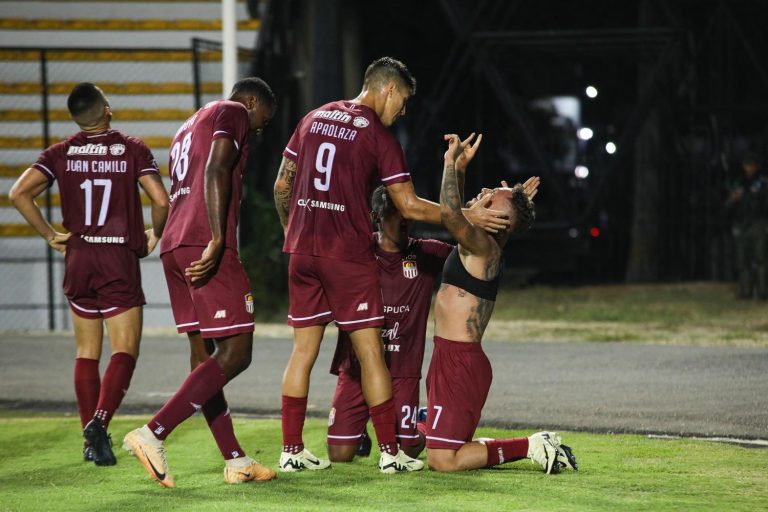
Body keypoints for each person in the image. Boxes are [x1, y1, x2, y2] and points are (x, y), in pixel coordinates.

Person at [273, 57, 508, 473]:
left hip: (301, 251)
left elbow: (282, 184)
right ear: (388, 89)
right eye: (404, 102)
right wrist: (465, 216)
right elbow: (410, 206)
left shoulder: (312, 118)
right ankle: (390, 454)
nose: (403, 111)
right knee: (371, 352)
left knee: (302, 353)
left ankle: (290, 452)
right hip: (346, 254)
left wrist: (292, 233)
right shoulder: (379, 137)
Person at [122, 78, 276, 488]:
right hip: (203, 241)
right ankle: (152, 433)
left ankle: (235, 460)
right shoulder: (235, 112)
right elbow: (216, 166)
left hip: (175, 242)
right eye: (264, 119)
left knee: (202, 359)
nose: (259, 129)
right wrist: (219, 238)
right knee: (237, 351)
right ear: (254, 101)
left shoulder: (189, 123)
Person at [9, 82, 169, 466]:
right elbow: (161, 200)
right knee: (124, 351)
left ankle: (89, 442)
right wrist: (155, 234)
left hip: (79, 256)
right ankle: (99, 422)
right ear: (107, 109)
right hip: (117, 257)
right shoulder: (131, 148)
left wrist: (50, 235)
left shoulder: (61, 152)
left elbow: (18, 193)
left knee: (86, 352)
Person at [424, 133, 578, 474]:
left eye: (493, 197)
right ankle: (423, 428)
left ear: (499, 222)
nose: (487, 193)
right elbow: (462, 213)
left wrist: (449, 163)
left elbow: (452, 216)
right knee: (431, 443)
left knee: (443, 461)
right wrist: (463, 172)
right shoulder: (482, 241)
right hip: (448, 356)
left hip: (460, 364)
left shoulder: (483, 247)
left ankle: (532, 445)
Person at [726, 151, 768, 299]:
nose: (747, 167)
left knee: (760, 258)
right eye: (745, 164)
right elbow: (729, 203)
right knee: (742, 260)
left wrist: (744, 196)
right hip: (741, 222)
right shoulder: (739, 181)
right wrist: (732, 199)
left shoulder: (763, 181)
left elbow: (762, 199)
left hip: (758, 222)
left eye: (750, 164)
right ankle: (745, 292)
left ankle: (763, 292)